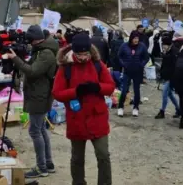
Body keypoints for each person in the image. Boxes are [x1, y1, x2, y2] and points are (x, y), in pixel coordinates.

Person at [52, 32, 115, 185]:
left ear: (90, 51)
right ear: (74, 52)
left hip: (97, 117)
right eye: (79, 54)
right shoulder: (65, 67)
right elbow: (57, 93)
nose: (83, 57)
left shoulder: (97, 65)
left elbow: (111, 86)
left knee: (103, 155)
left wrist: (97, 87)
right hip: (77, 118)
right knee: (77, 158)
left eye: (86, 54)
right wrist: (75, 91)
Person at [6, 25, 58, 178]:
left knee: (35, 131)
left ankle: (41, 167)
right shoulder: (42, 50)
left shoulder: (46, 53)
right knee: (41, 129)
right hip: (38, 94)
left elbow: (33, 71)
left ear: (34, 40)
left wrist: (15, 58)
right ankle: (48, 164)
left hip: (39, 96)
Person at [117, 31, 149, 117]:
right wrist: (123, 64)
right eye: (134, 38)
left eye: (137, 38)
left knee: (136, 91)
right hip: (127, 71)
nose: (136, 40)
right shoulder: (124, 46)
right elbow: (119, 56)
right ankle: (120, 107)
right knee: (124, 90)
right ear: (131, 38)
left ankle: (135, 108)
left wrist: (141, 65)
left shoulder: (142, 46)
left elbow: (146, 57)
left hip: (138, 72)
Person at [155, 36, 181, 119]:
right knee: (170, 94)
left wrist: (165, 56)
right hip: (166, 76)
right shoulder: (168, 51)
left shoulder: (173, 52)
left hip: (171, 77)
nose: (163, 46)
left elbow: (173, 65)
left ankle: (162, 111)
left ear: (168, 44)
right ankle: (178, 109)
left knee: (165, 93)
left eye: (164, 45)